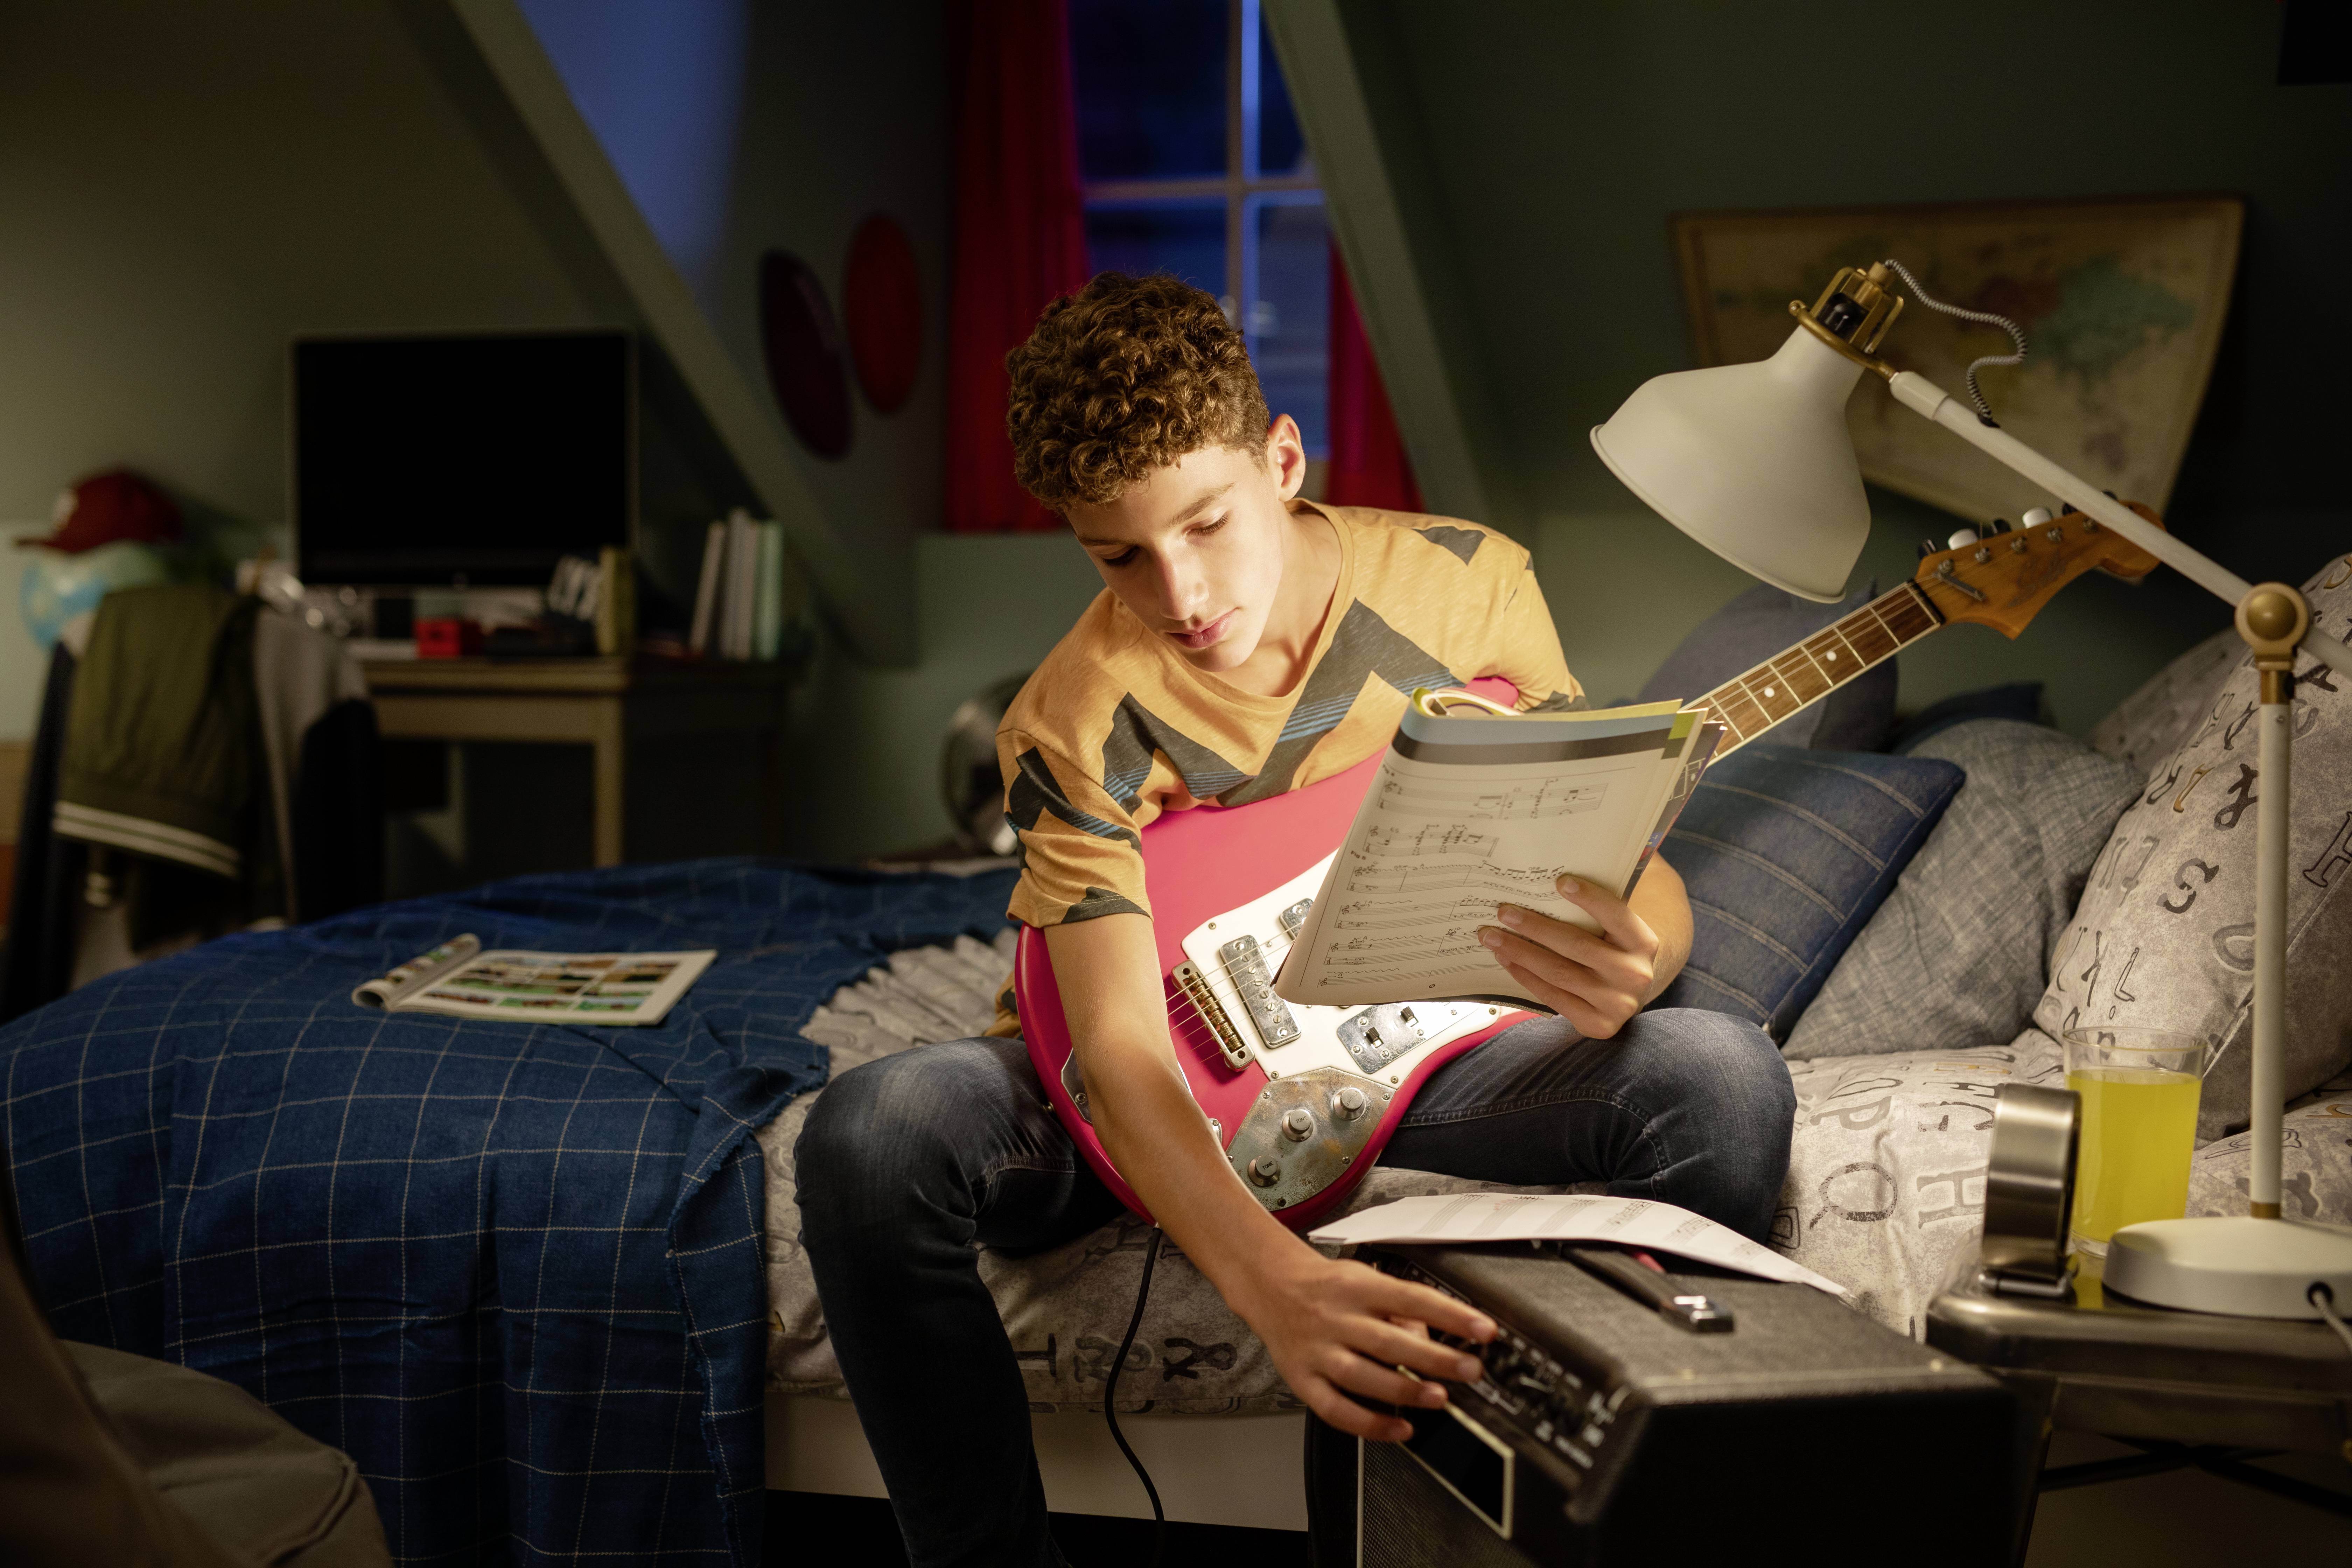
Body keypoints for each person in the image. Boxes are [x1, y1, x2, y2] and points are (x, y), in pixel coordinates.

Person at [796, 273, 1794, 1567]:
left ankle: (1567, 1505)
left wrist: (1644, 949)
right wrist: (1277, 1284)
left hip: (1427, 1045)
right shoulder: (1068, 717)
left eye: (1209, 524)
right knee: (871, 1133)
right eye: (1119, 555)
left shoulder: (1470, 587)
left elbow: (1620, 855)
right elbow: (1117, 1049)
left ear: (1282, 458)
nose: (1181, 592)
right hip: (1128, 1084)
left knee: (1720, 1071)